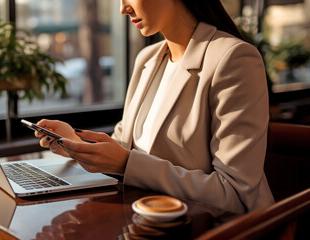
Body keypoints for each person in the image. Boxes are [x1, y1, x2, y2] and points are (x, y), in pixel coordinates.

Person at [34, 0, 274, 213]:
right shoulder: (147, 58)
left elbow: (235, 195)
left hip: (217, 227)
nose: (122, 8)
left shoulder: (234, 58)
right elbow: (124, 144)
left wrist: (127, 164)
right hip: (147, 216)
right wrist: (77, 146)